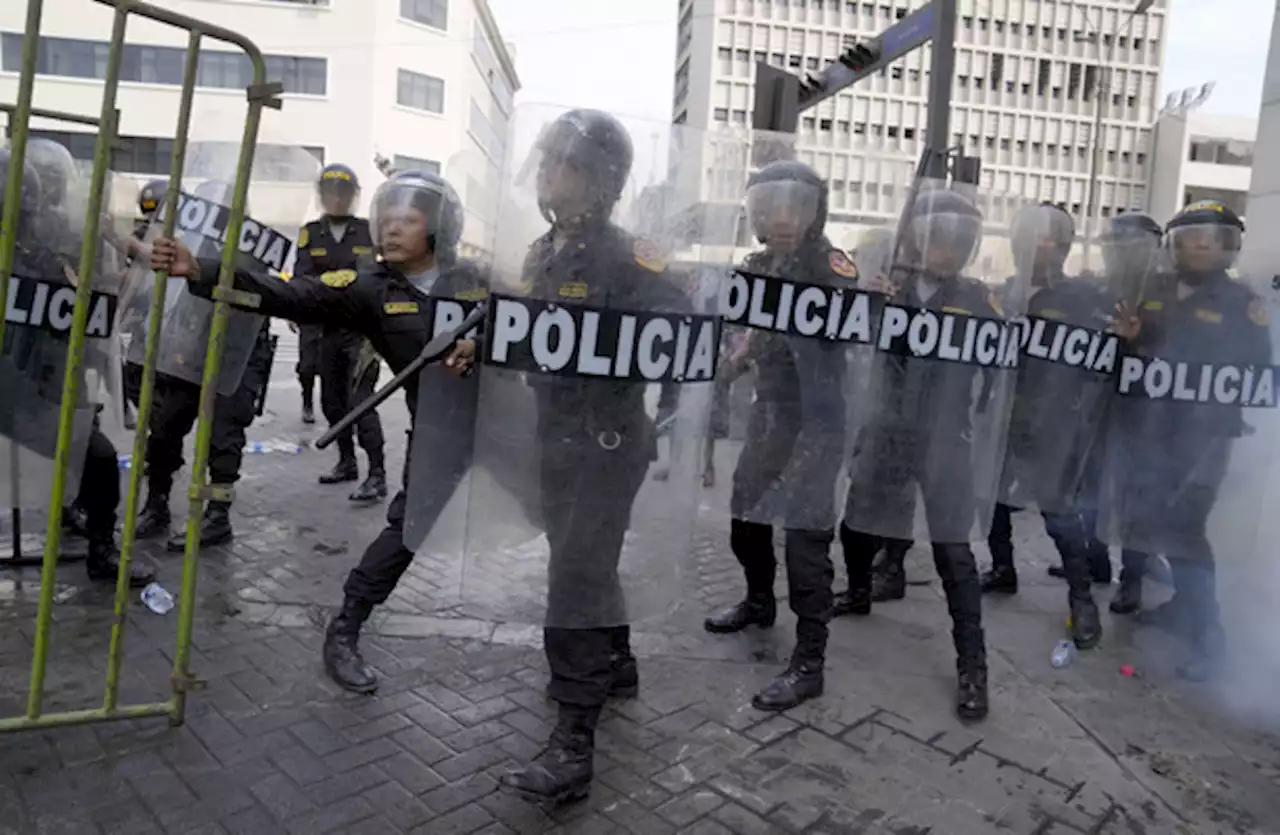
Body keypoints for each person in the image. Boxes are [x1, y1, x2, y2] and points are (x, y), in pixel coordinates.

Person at [147, 170, 487, 695]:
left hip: (507, 427)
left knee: (572, 529)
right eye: (388, 218)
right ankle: (345, 627)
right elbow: (292, 293)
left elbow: (537, 326)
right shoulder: (370, 286)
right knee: (409, 527)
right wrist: (204, 270)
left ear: (441, 226)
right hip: (441, 431)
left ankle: (604, 644)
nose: (392, 229)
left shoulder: (480, 280)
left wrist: (481, 343)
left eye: (409, 220)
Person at [443, 109, 695, 804]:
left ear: (603, 180)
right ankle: (617, 663)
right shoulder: (542, 253)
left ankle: (574, 739)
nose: (551, 176)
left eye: (567, 165)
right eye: (549, 162)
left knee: (574, 577)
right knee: (583, 558)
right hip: (554, 438)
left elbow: (680, 323)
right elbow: (532, 334)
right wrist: (483, 341)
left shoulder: (631, 255)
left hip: (608, 441)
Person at [702, 160, 862, 712]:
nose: (781, 217)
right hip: (769, 414)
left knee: (805, 540)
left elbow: (851, 335)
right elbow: (736, 339)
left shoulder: (833, 268)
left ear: (815, 212)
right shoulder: (754, 267)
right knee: (744, 520)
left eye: (795, 206)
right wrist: (735, 355)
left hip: (818, 419)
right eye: (769, 207)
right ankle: (758, 600)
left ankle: (809, 661)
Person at [839, 187, 1003, 721]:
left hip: (945, 440)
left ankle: (972, 667)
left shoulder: (980, 300)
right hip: (888, 430)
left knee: (954, 553)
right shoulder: (891, 286)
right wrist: (868, 299)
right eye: (938, 238)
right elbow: (851, 345)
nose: (947, 250)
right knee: (857, 524)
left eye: (960, 241)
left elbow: (1001, 368)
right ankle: (859, 589)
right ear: (914, 237)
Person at [1110, 201, 1268, 681]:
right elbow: (1139, 355)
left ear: (1226, 248)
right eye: (1191, 240)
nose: (1199, 249)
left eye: (1210, 241)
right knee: (1141, 511)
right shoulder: (1151, 290)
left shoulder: (1242, 303)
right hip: (1150, 429)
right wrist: (1132, 338)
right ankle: (1175, 604)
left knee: (1184, 530)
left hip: (1204, 438)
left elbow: (1258, 368)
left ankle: (1210, 639)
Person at [0, 146, 153, 586]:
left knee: (98, 457)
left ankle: (98, 545)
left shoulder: (50, 239)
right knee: (97, 457)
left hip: (37, 380)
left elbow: (84, 293)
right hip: (17, 380)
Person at [981, 203, 1116, 650]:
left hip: (1055, 421)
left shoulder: (1084, 297)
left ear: (1064, 246)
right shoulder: (1005, 293)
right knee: (995, 501)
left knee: (1058, 514)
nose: (1041, 247)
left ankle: (1082, 600)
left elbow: (1106, 360)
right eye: (1032, 236)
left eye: (1051, 239)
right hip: (1007, 417)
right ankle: (1003, 569)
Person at [131, 180, 275, 550]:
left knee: (224, 437)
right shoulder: (188, 242)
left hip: (237, 354)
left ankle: (217, 515)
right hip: (190, 349)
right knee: (163, 428)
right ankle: (157, 502)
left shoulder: (252, 247)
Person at [295, 164, 386, 501]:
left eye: (343, 193)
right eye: (330, 192)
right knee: (332, 403)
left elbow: (381, 273)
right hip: (326, 328)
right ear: (322, 195)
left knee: (362, 400)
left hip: (363, 331)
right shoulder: (310, 233)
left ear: (352, 197)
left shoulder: (369, 231)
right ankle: (347, 462)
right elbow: (303, 276)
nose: (336, 198)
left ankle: (377, 473)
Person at [1095, 211, 1163, 616]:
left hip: (1147, 415)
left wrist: (1139, 342)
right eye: (1117, 247)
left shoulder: (1166, 294)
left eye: (1133, 247)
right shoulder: (1102, 289)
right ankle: (1097, 559)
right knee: (1096, 491)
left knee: (1136, 497)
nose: (1123, 254)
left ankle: (1132, 576)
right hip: (1103, 406)